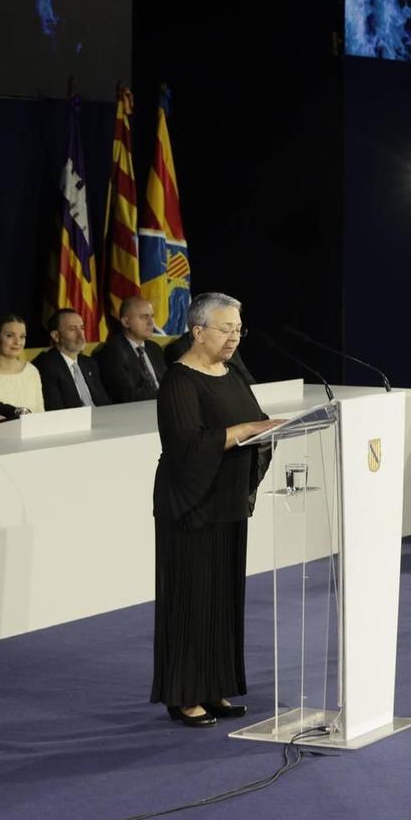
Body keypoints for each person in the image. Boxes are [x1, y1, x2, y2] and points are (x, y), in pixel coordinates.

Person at [151, 293, 279, 726]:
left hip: (226, 504)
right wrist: (242, 429)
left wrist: (264, 430)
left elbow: (254, 419)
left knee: (222, 603)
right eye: (226, 329)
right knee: (191, 602)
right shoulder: (179, 381)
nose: (234, 337)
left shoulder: (233, 373)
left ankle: (215, 687)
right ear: (198, 330)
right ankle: (184, 695)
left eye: (238, 329)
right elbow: (185, 446)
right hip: (191, 506)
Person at [38, 308, 114, 410]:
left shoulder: (89, 363)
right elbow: (56, 410)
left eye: (82, 328)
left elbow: (104, 402)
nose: (81, 335)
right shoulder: (46, 366)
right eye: (72, 329)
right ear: (56, 336)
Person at [98, 296, 168, 403]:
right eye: (144, 317)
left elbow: (167, 382)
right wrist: (168, 394)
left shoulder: (154, 348)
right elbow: (128, 395)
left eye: (151, 316)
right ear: (126, 322)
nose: (151, 323)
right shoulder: (113, 352)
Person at [0, 313, 47, 415]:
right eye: (10, 336)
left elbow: (40, 413)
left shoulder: (31, 371)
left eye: (22, 336)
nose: (18, 342)